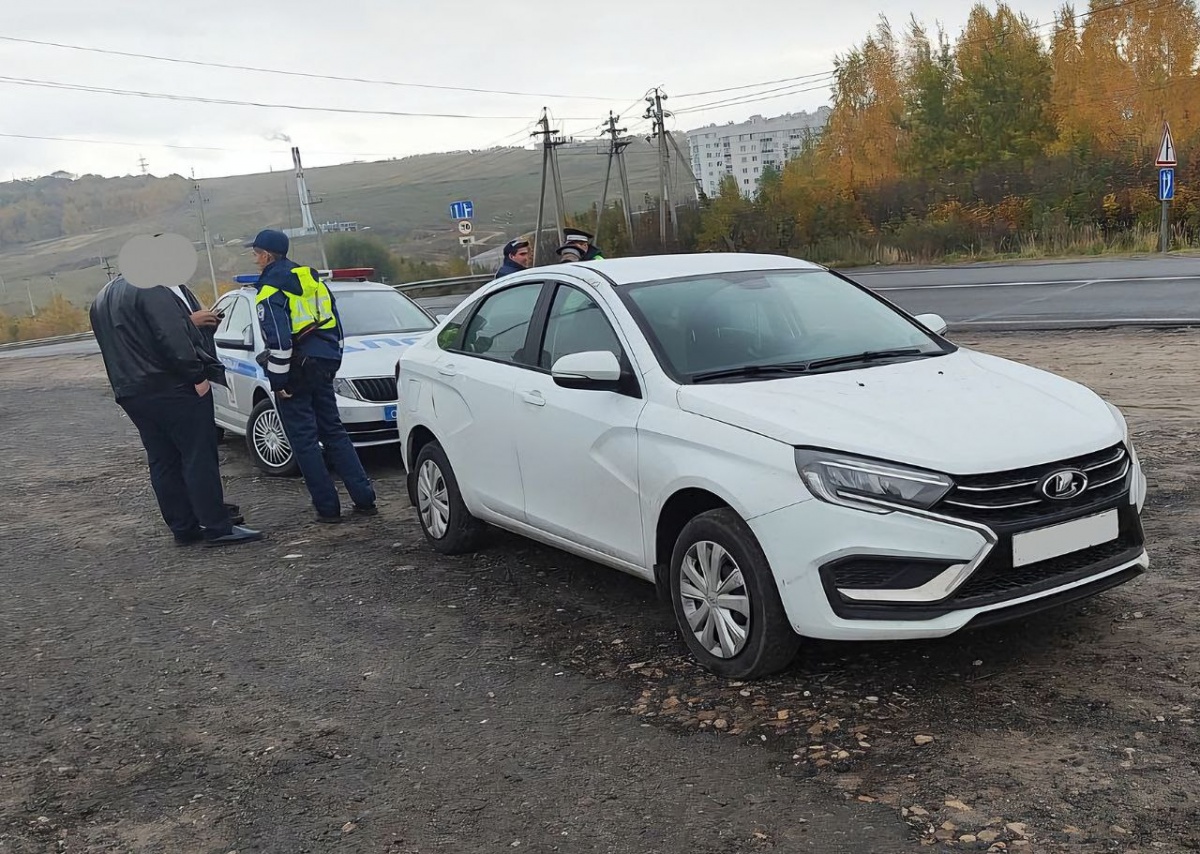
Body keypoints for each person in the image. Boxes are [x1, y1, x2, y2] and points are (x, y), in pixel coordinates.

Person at [89, 274, 263, 546]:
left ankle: (183, 527)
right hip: (173, 386)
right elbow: (171, 337)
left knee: (163, 460)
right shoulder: (152, 288)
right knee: (198, 456)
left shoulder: (102, 297)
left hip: (132, 391)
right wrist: (196, 376)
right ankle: (217, 527)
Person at [248, 228, 378, 523]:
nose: (255, 260)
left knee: (304, 440)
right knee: (334, 432)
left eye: (256, 254)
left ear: (267, 255)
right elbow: (336, 326)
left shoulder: (269, 290)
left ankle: (328, 509)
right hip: (324, 363)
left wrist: (279, 383)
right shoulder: (312, 280)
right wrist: (333, 364)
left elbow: (279, 343)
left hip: (295, 371)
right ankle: (365, 498)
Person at [168, 282, 245, 526]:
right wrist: (197, 377)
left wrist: (209, 324)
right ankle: (210, 521)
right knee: (193, 456)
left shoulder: (180, 288)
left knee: (201, 455)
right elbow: (164, 335)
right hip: (184, 384)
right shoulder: (153, 292)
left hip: (193, 379)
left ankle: (206, 512)